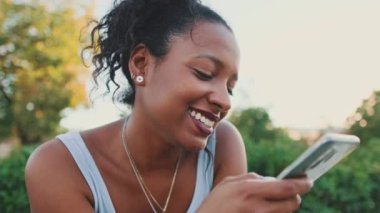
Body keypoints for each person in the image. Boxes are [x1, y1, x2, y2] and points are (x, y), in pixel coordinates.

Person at [25, 0, 313, 212]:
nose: (224, 101)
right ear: (142, 64)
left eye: (230, 88)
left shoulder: (222, 144)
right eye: (204, 73)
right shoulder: (60, 166)